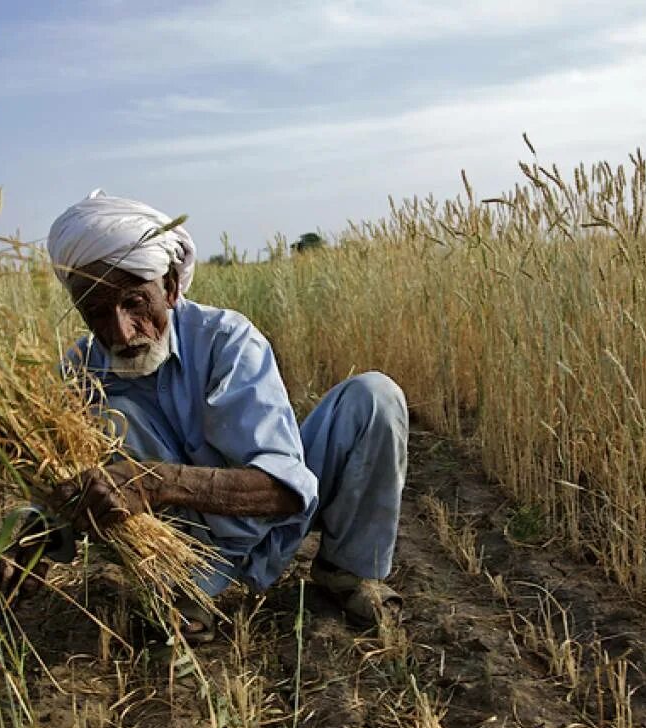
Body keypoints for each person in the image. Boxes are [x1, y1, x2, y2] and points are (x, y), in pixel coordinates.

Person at [30, 190, 408, 642]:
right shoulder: (78, 371)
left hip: (274, 522)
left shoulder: (227, 339)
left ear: (169, 287)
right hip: (188, 555)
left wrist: (152, 482)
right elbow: (63, 487)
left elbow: (287, 492)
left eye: (134, 303)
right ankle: (183, 588)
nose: (121, 332)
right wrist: (32, 536)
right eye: (96, 311)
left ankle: (347, 571)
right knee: (113, 415)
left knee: (373, 397)